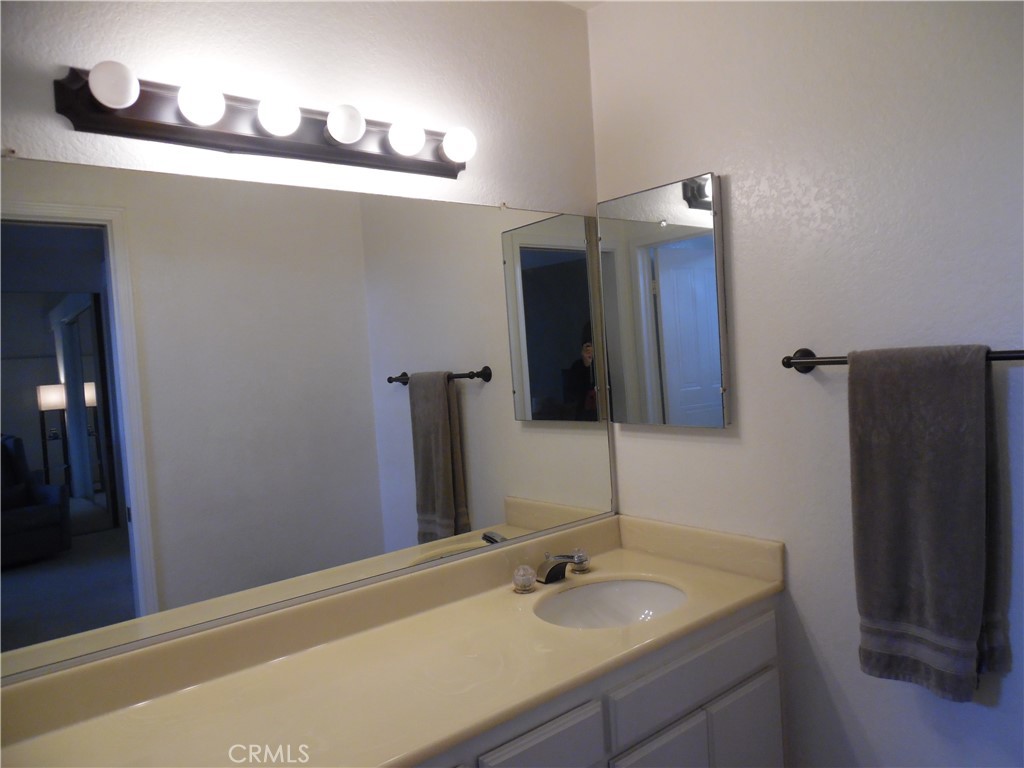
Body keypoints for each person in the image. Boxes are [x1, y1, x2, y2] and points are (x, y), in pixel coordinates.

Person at [566, 326, 598, 421]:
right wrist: (586, 365)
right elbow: (573, 396)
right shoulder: (577, 366)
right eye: (589, 344)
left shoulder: (608, 365)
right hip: (583, 418)